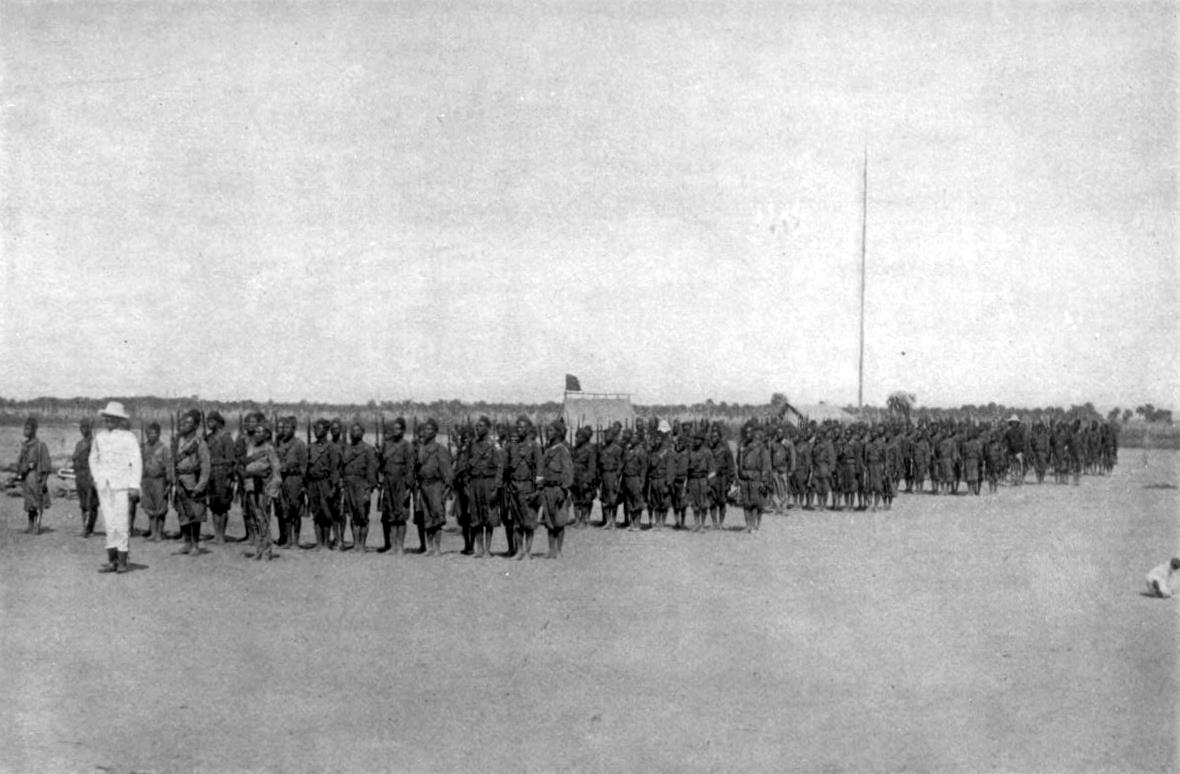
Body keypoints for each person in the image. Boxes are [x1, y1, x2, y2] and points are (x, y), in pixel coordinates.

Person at [89, 402, 142, 574]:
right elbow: (93, 459)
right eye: (107, 418)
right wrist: (97, 477)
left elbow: (136, 461)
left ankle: (122, 561)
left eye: (113, 418)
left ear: (120, 420)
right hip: (104, 486)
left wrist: (134, 485)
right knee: (109, 523)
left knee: (121, 523)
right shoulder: (100, 437)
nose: (109, 421)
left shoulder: (129, 437)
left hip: (121, 485)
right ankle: (112, 561)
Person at [240, 415, 281, 561]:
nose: (256, 434)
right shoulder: (250, 447)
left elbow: (276, 470)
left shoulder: (269, 448)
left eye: (260, 432)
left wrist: (272, 490)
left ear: (266, 434)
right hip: (251, 485)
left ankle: (267, 550)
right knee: (255, 518)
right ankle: (259, 549)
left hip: (264, 486)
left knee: (264, 518)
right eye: (255, 432)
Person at [173, 409, 211, 556]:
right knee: (182, 513)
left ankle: (195, 544)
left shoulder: (200, 443)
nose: (183, 425)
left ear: (195, 426)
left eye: (188, 423)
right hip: (180, 481)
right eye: (183, 422)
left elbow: (205, 466)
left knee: (195, 514)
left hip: (193, 481)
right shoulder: (177, 442)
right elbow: (172, 462)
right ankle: (187, 543)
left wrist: (200, 486)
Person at [414, 418, 452, 557]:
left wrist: (445, 492)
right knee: (427, 516)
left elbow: (447, 473)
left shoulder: (440, 450)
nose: (427, 432)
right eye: (425, 429)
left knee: (437, 517)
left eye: (430, 429)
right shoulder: (421, 449)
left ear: (435, 432)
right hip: (423, 485)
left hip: (436, 485)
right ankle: (429, 547)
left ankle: (437, 548)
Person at [377, 417, 415, 555]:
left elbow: (410, 467)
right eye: (394, 428)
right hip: (388, 481)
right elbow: (380, 464)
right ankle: (393, 546)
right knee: (391, 515)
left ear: (403, 430)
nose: (395, 431)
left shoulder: (407, 446)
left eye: (398, 428)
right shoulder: (386, 445)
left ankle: (400, 546)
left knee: (401, 515)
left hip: (401, 482)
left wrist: (408, 487)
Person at [504, 417, 541, 557]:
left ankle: (527, 551)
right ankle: (519, 550)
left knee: (529, 521)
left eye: (522, 427)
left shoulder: (534, 447)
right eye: (517, 427)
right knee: (516, 521)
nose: (519, 430)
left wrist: (537, 489)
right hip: (514, 487)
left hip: (528, 487)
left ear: (528, 429)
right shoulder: (511, 447)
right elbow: (506, 468)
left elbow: (540, 469)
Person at [466, 416, 502, 558]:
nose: (477, 428)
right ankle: (479, 548)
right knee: (476, 516)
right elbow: (467, 465)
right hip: (475, 483)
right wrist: (467, 484)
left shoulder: (494, 446)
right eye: (477, 426)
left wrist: (496, 488)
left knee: (489, 517)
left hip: (488, 483)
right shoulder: (472, 445)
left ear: (488, 428)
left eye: (481, 426)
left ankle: (488, 549)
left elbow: (500, 467)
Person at [539, 418, 574, 558]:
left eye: (551, 430)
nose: (548, 432)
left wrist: (564, 489)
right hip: (547, 488)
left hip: (558, 489)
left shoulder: (563, 450)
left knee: (559, 521)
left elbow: (568, 471)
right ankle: (551, 550)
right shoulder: (548, 450)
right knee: (549, 521)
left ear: (559, 433)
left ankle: (559, 550)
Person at [340, 421, 378, 552]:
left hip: (362, 485)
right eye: (352, 431)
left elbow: (372, 470)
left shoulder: (368, 449)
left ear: (362, 433)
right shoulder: (347, 449)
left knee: (362, 516)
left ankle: (362, 545)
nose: (354, 433)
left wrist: (369, 488)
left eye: (357, 431)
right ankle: (355, 543)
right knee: (352, 515)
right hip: (348, 485)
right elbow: (342, 466)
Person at [305, 419, 342, 551]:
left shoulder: (332, 448)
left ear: (326, 430)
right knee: (316, 513)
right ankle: (319, 543)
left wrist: (334, 486)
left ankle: (326, 543)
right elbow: (306, 467)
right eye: (315, 429)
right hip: (313, 483)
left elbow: (335, 469)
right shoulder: (310, 447)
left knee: (326, 513)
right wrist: (306, 485)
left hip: (325, 482)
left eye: (319, 429)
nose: (316, 431)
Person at [274, 416, 308, 549]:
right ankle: (288, 540)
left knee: (296, 511)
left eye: (288, 428)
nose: (285, 430)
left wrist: (294, 471)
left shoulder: (299, 444)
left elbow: (304, 466)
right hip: (282, 480)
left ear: (293, 429)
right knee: (285, 510)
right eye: (283, 428)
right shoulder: (280, 444)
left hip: (295, 480)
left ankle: (296, 541)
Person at [16, 416, 52, 535]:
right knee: (29, 503)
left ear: (34, 430)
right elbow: (21, 462)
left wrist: (44, 481)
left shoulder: (40, 445)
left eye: (28, 429)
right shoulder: (25, 446)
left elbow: (46, 465)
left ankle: (37, 526)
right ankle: (30, 525)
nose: (25, 431)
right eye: (24, 428)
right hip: (26, 479)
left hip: (36, 478)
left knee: (37, 503)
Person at [204, 411, 236, 543]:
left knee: (223, 506)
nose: (209, 424)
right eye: (208, 421)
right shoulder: (208, 438)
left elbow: (231, 460)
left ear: (218, 422)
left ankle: (221, 535)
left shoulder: (226, 438)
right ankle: (216, 534)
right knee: (214, 505)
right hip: (211, 473)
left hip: (222, 474)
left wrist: (229, 478)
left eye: (211, 421)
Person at [140, 421, 172, 542]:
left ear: (158, 434)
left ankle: (159, 533)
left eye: (153, 433)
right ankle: (153, 533)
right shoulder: (144, 448)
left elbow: (168, 466)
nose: (151, 435)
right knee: (150, 508)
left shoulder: (164, 448)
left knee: (161, 508)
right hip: (147, 480)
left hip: (159, 480)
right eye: (149, 433)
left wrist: (169, 483)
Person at [72, 417, 100, 538]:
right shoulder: (79, 444)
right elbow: (75, 458)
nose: (83, 430)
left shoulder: (94, 443)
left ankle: (89, 528)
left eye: (85, 427)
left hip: (90, 475)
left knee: (91, 504)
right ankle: (85, 526)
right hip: (80, 476)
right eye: (81, 427)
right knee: (83, 504)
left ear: (89, 428)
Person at [685, 428, 716, 532]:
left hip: (703, 480)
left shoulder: (707, 452)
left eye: (698, 439)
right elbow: (687, 467)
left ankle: (702, 524)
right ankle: (696, 523)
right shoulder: (691, 452)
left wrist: (710, 484)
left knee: (703, 503)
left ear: (702, 440)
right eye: (695, 439)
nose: (696, 441)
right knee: (694, 503)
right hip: (693, 479)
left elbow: (712, 469)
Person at [570, 426, 598, 529]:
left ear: (585, 438)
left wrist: (588, 480)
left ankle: (583, 520)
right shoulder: (574, 449)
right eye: (576, 436)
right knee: (575, 499)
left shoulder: (590, 449)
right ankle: (577, 519)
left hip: (584, 478)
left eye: (579, 436)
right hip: (575, 477)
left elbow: (592, 467)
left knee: (585, 500)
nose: (577, 438)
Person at [597, 424, 623, 528]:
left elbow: (620, 464)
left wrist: (617, 476)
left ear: (612, 436)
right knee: (605, 498)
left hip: (613, 475)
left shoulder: (617, 449)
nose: (606, 437)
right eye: (605, 436)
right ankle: (607, 520)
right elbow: (599, 464)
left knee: (613, 499)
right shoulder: (602, 449)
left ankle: (613, 521)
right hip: (604, 475)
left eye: (608, 435)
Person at [621, 428, 648, 531]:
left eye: (634, 438)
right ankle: (632, 522)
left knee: (637, 500)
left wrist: (642, 481)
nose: (631, 439)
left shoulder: (641, 451)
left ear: (638, 440)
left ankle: (637, 523)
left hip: (636, 478)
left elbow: (644, 468)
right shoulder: (628, 450)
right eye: (631, 438)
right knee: (629, 501)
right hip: (627, 478)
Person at [707, 426, 733, 528]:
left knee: (722, 501)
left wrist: (731, 479)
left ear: (719, 437)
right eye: (712, 436)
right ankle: (714, 523)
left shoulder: (725, 449)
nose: (713, 438)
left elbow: (731, 465)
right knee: (712, 501)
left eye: (715, 436)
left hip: (722, 478)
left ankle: (721, 523)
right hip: (711, 478)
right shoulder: (709, 449)